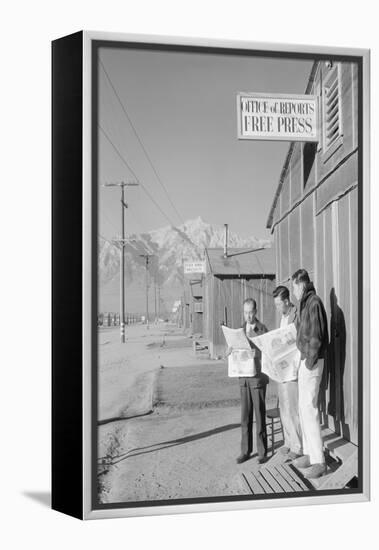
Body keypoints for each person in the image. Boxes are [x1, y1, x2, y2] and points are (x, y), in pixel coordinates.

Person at [291, 269, 328, 479]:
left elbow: (316, 336)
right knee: (303, 408)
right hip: (306, 361)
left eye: (295, 287)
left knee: (310, 409)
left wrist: (309, 361)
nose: (294, 291)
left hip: (311, 362)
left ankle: (319, 461)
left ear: (301, 284)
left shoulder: (313, 302)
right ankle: (308, 452)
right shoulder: (306, 303)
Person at [227, 298, 269, 464]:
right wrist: (229, 350)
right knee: (245, 417)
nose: (248, 316)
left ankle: (262, 452)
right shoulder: (239, 330)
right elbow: (233, 351)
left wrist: (256, 354)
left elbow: (269, 352)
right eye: (245, 312)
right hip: (243, 378)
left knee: (259, 415)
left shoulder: (263, 329)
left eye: (251, 312)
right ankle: (245, 451)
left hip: (257, 379)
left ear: (256, 311)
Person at [273, 285, 302, 460]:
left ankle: (297, 446)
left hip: (292, 368)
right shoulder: (283, 317)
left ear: (286, 301)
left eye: (278, 304)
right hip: (281, 368)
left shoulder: (295, 315)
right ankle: (288, 442)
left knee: (293, 409)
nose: (277, 308)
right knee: (283, 406)